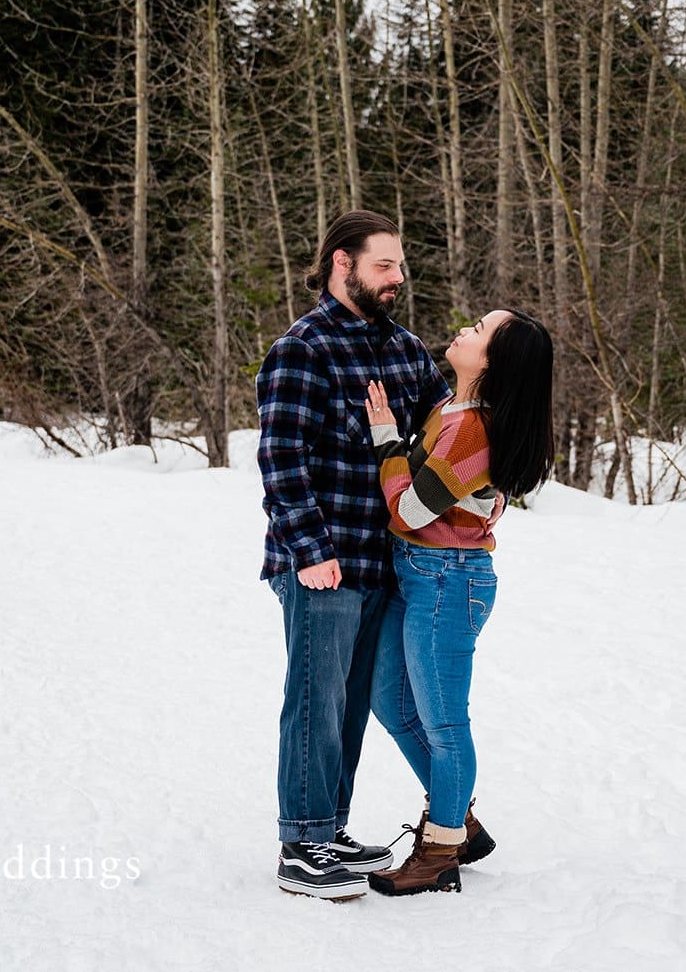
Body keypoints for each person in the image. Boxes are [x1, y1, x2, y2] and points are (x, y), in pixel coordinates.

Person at [255, 209, 451, 900]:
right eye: (384, 265)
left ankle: (329, 827)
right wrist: (309, 549)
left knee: (348, 702)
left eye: (400, 265)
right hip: (322, 560)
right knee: (314, 696)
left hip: (384, 560)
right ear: (343, 263)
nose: (398, 278)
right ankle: (301, 843)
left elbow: (446, 434)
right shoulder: (301, 349)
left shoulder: (405, 350)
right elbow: (281, 458)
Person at [360, 308, 555, 896]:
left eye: (479, 330)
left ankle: (441, 849)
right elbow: (428, 496)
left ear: (493, 361)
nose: (465, 329)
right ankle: (458, 819)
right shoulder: (451, 408)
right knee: (390, 702)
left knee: (444, 722)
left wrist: (387, 441)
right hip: (421, 573)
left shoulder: (473, 427)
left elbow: (409, 509)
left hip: (448, 579)